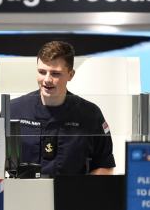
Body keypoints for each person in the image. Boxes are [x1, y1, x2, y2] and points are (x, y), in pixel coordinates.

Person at [9, 41, 115, 175]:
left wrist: (83, 193)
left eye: (55, 73)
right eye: (42, 72)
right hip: (22, 194)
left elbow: (105, 166)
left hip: (72, 194)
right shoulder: (14, 110)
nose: (47, 79)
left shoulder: (90, 114)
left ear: (71, 75)